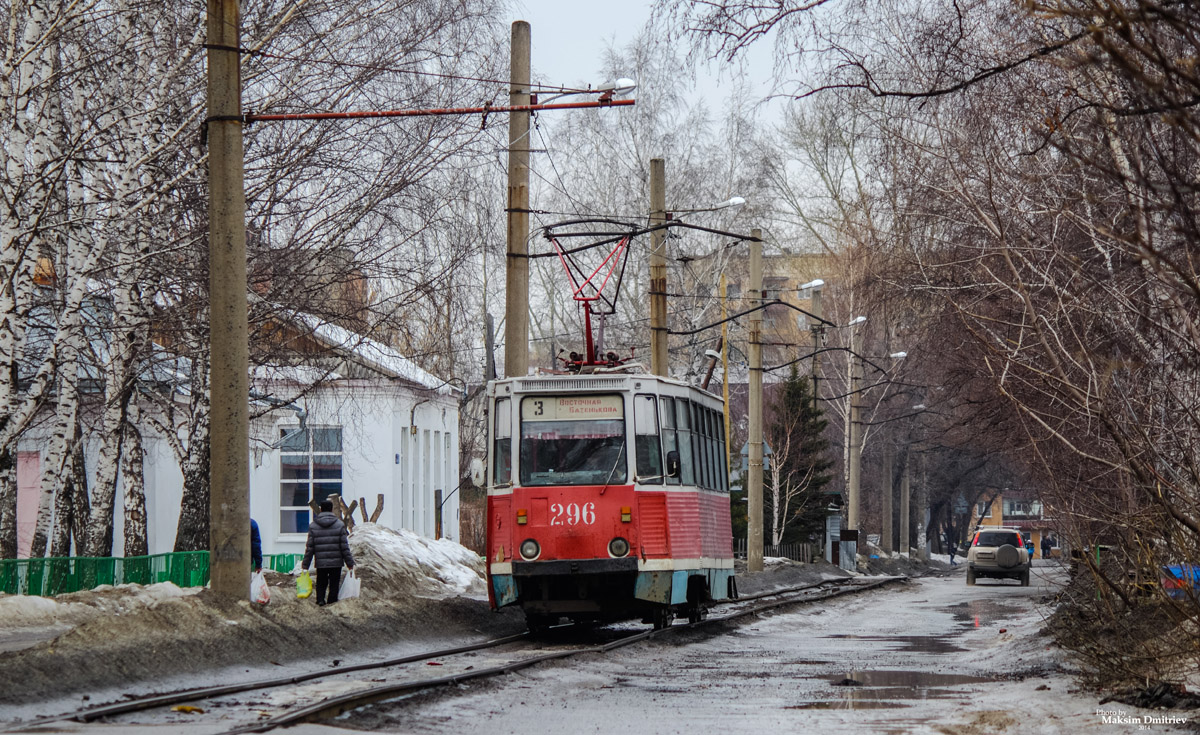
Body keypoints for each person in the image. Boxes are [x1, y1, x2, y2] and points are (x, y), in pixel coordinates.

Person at [301, 500, 355, 606]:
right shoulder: (339, 525)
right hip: (336, 562)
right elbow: (344, 547)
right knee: (334, 583)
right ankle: (332, 601)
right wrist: (350, 563)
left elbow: (310, 547)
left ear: (321, 509)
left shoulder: (313, 526)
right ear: (331, 509)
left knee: (321, 582)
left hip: (321, 562)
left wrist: (305, 565)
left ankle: (320, 600)